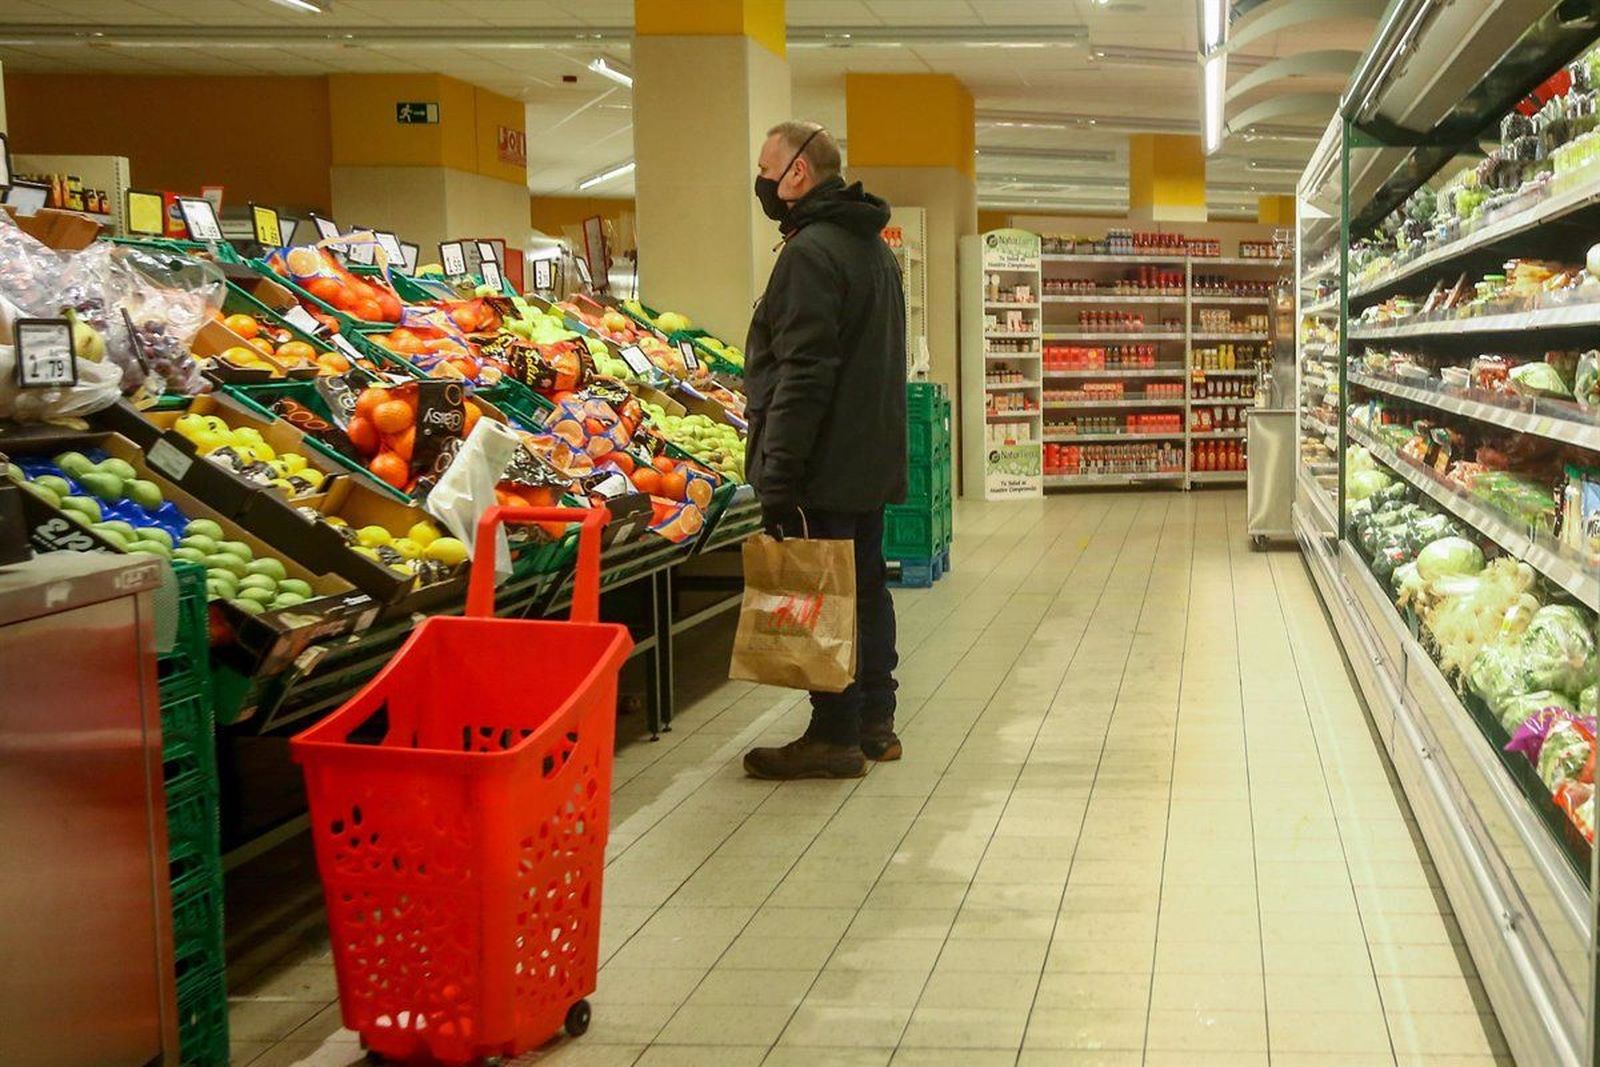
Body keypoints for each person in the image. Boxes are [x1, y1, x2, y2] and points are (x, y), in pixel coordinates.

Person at [739, 120, 908, 781]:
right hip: (866, 456)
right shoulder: (872, 249)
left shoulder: (812, 253)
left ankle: (833, 732)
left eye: (766, 168)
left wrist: (779, 473)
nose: (761, 181)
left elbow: (803, 372)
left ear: (798, 175)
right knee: (864, 588)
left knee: (822, 593)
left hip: (824, 461)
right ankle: (874, 721)